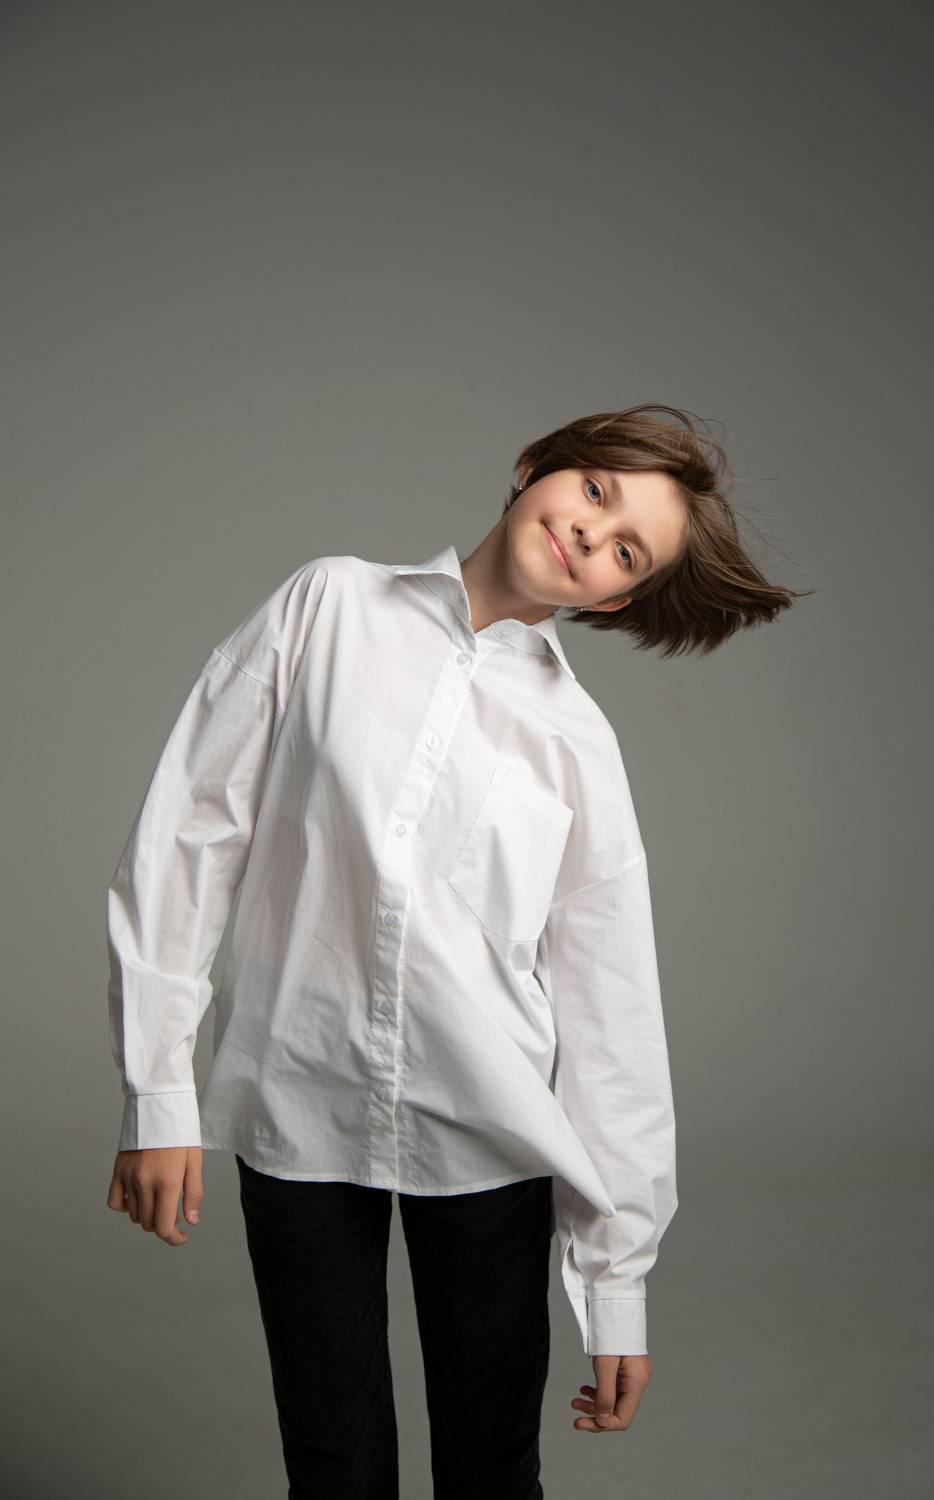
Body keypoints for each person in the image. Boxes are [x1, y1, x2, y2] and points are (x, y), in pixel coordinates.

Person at [104, 403, 808, 1499]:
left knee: (492, 1469)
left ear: (613, 599)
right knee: (330, 1465)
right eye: (595, 491)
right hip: (295, 1106)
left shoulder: (577, 744)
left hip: (489, 1139)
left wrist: (615, 1287)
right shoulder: (328, 604)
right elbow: (191, 836)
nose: (592, 531)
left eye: (627, 552)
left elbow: (611, 1013)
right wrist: (159, 1094)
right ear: (535, 466)